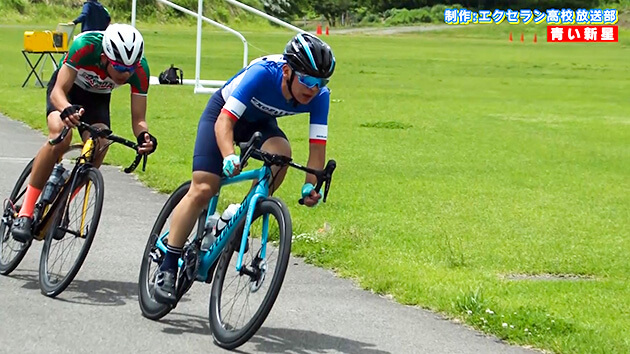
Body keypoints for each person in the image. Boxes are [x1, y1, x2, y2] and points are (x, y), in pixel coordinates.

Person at [153, 32, 336, 304]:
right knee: (204, 187)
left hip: (259, 123)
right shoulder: (263, 74)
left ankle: (239, 217)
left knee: (281, 156)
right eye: (307, 79)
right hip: (223, 115)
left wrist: (310, 184)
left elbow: (317, 149)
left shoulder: (319, 96)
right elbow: (224, 123)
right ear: (287, 71)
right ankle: (168, 264)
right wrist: (228, 155)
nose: (313, 88)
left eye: (320, 82)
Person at [11, 23, 157, 243]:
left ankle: (63, 202)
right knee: (60, 136)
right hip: (67, 91)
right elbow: (58, 92)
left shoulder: (140, 70)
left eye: (130, 69)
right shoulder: (85, 46)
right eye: (119, 68)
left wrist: (144, 137)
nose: (125, 74)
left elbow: (139, 120)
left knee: (101, 144)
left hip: (97, 100)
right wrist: (65, 109)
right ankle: (26, 211)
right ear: (105, 57)